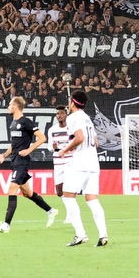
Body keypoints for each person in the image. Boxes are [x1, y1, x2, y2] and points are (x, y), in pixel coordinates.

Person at [0, 96, 59, 233]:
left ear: (16, 106)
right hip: (15, 161)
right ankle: (51, 211)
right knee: (27, 193)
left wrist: (29, 150)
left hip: (22, 162)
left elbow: (42, 138)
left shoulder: (26, 122)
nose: (8, 106)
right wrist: (4, 155)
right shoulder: (13, 123)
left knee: (12, 190)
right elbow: (14, 145)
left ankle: (6, 225)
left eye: (10, 104)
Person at [58, 90, 108, 247]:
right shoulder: (87, 118)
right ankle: (103, 235)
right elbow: (96, 142)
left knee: (68, 196)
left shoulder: (73, 118)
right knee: (92, 199)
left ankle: (80, 234)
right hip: (93, 162)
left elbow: (80, 138)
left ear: (72, 102)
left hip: (80, 162)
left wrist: (65, 149)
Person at [48, 105, 73, 223]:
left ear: (66, 115)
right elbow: (49, 147)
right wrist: (53, 147)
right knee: (59, 191)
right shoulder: (52, 130)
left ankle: (70, 214)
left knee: (68, 188)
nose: (60, 116)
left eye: (62, 113)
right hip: (57, 161)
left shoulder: (71, 129)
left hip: (69, 159)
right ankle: (70, 211)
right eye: (58, 114)